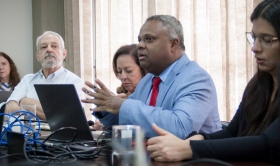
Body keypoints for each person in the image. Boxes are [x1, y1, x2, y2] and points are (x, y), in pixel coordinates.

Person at [147, 0, 280, 165]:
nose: (255, 47)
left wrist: (190, 149)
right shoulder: (259, 83)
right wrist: (197, 140)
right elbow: (233, 132)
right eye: (254, 37)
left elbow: (268, 145)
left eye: (267, 40)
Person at [82, 15, 221, 139]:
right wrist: (106, 108)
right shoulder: (148, 80)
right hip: (151, 162)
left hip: (196, 165)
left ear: (173, 44)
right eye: (139, 40)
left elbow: (180, 128)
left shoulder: (196, 78)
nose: (140, 45)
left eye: (149, 39)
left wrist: (123, 106)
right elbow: (127, 122)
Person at [5, 31, 84, 120]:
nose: (49, 50)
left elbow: (70, 117)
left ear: (64, 54)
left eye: (54, 46)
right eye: (43, 47)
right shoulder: (27, 79)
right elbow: (9, 108)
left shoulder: (73, 81)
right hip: (29, 132)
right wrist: (50, 112)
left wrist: (26, 102)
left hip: (60, 134)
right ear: (38, 56)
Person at [91, 44, 146, 129]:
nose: (123, 77)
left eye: (129, 71)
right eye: (119, 71)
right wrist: (106, 109)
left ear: (143, 69)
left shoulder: (153, 96)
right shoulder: (120, 96)